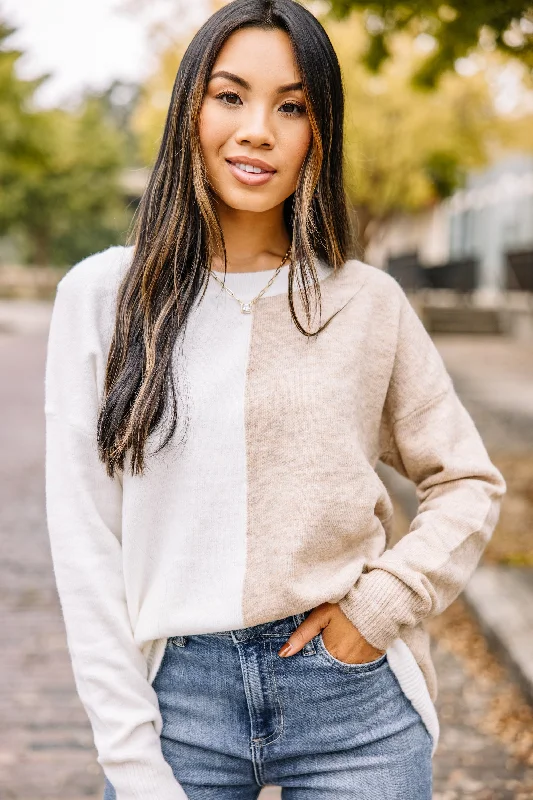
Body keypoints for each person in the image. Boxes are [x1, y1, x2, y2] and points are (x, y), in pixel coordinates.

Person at [43, 1, 506, 798]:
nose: (257, 128)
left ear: (318, 132)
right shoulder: (103, 296)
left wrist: (377, 610)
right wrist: (131, 762)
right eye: (229, 96)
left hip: (353, 706)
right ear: (189, 108)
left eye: (290, 106)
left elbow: (466, 481)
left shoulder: (367, 303)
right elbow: (85, 546)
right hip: (176, 706)